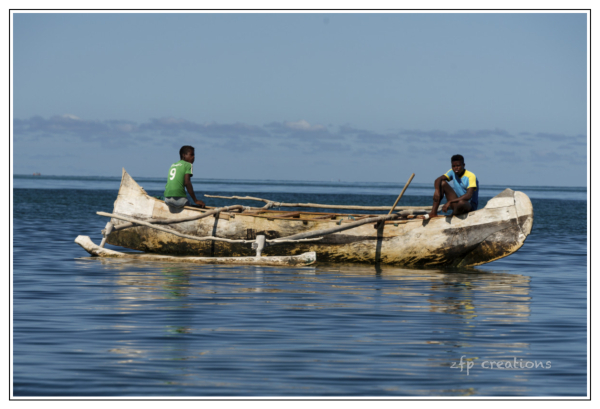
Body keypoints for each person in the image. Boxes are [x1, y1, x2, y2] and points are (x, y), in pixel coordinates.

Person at [426, 154, 479, 218]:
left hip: (469, 206)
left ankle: (453, 214)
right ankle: (433, 213)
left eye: (458, 165)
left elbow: (468, 195)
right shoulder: (452, 172)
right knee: (442, 183)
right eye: (453, 166)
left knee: (461, 202)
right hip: (457, 203)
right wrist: (437, 190)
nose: (456, 168)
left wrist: (450, 202)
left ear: (463, 165)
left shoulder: (470, 176)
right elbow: (438, 179)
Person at [164, 145, 206, 209]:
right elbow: (187, 182)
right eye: (191, 155)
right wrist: (196, 200)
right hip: (179, 200)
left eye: (194, 155)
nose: (193, 157)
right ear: (184, 155)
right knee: (194, 208)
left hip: (167, 199)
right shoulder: (188, 165)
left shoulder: (173, 165)